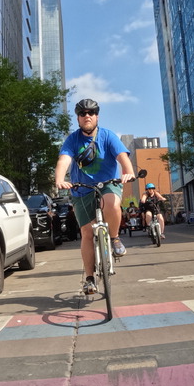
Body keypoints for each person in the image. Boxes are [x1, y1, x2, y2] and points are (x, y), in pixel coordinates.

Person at [55, 99, 135, 295]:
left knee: (112, 203)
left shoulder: (107, 136)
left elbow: (122, 157)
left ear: (97, 116)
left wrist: (129, 172)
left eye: (91, 112)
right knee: (87, 233)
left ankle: (115, 239)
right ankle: (90, 279)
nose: (87, 116)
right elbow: (64, 160)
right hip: (81, 189)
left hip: (107, 184)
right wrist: (59, 179)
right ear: (78, 118)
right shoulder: (72, 140)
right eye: (82, 113)